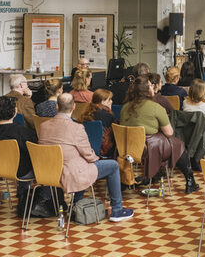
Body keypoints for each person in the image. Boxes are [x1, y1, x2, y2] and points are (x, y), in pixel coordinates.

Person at [39, 93, 134, 221]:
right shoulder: (76, 128)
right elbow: (88, 155)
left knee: (79, 164)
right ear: (74, 107)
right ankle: (117, 210)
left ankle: (75, 205)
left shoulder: (43, 126)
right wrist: (96, 160)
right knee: (113, 165)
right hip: (70, 174)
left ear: (57, 107)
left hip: (48, 173)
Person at [120, 76, 199, 193]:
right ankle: (190, 179)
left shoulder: (124, 107)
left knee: (166, 142)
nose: (153, 87)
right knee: (179, 144)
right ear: (146, 91)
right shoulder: (156, 107)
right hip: (148, 149)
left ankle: (154, 174)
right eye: (151, 86)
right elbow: (169, 132)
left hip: (127, 149)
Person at [0, 95, 48, 217]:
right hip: (22, 171)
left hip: (1, 168)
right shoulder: (22, 132)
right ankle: (44, 201)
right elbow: (37, 150)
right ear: (14, 112)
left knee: (23, 159)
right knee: (47, 165)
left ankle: (22, 194)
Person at [79, 88, 116, 157]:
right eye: (109, 100)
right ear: (102, 101)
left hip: (87, 149)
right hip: (104, 150)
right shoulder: (108, 116)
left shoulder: (86, 113)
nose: (112, 102)